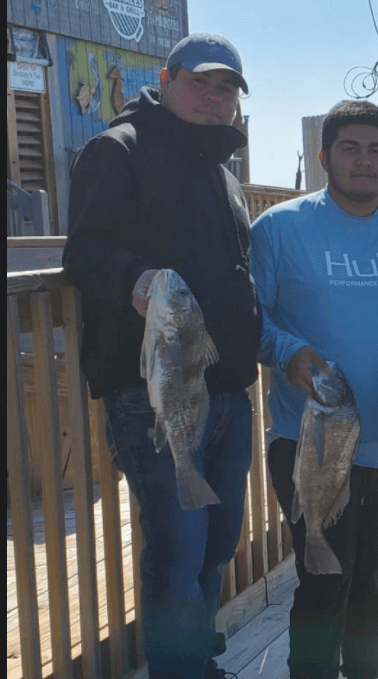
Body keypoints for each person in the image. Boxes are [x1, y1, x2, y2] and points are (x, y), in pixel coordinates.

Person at [62, 33, 258, 679]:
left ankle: (192, 664)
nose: (214, 95)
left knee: (215, 546)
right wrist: (139, 281)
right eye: (201, 81)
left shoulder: (223, 176)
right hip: (152, 394)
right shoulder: (118, 149)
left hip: (229, 391)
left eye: (226, 87)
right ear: (167, 79)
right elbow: (84, 253)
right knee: (178, 552)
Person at [250, 100, 378, 679]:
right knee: (325, 583)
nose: (364, 161)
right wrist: (289, 351)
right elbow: (248, 317)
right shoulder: (278, 228)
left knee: (371, 577)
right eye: (349, 148)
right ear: (324, 158)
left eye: (376, 149)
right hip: (310, 443)